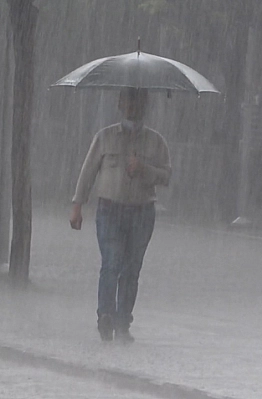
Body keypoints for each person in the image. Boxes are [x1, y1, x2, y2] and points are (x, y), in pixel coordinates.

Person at [69, 87, 171, 343]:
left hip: (142, 212)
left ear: (145, 105)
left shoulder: (155, 141)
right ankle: (105, 315)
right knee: (111, 263)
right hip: (110, 210)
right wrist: (77, 205)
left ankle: (123, 321)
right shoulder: (105, 137)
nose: (133, 106)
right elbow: (88, 172)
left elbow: (166, 175)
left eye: (138, 100)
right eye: (128, 100)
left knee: (131, 269)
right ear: (120, 103)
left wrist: (143, 169)